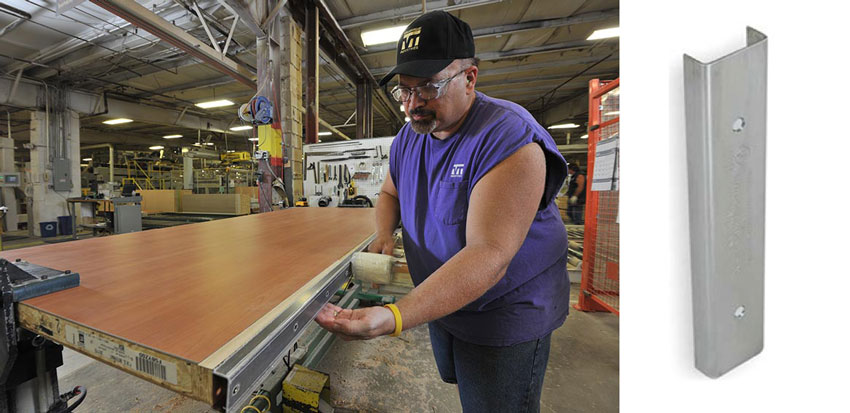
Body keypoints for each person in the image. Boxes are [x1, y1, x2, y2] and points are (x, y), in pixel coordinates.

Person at [315, 11, 569, 412]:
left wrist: (394, 316)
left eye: (429, 87)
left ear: (470, 78)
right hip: (442, 299)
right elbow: (388, 193)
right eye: (404, 90)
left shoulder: (508, 138)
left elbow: (489, 254)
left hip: (502, 310)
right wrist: (383, 234)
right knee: (459, 379)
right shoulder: (408, 137)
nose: (413, 104)